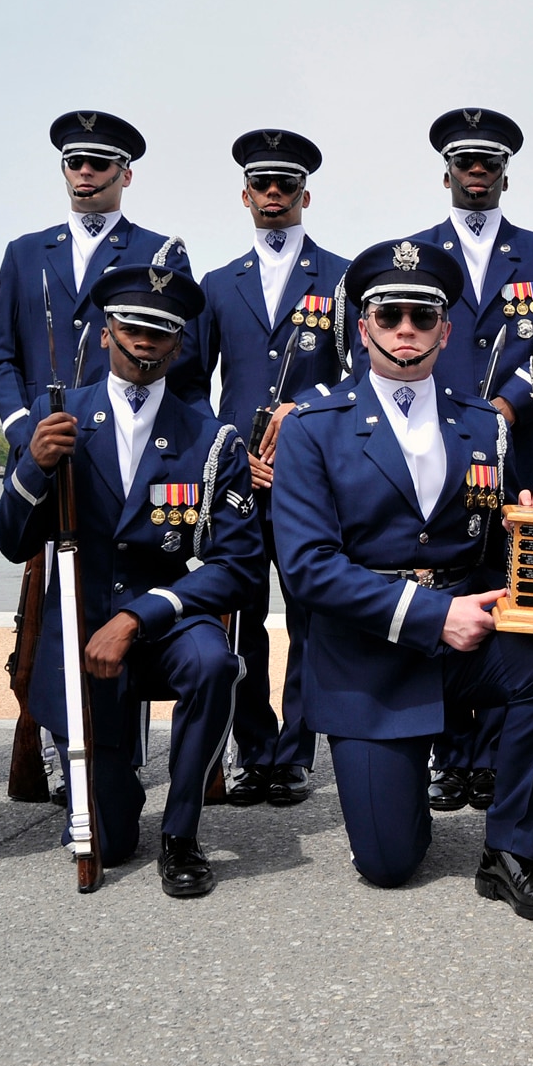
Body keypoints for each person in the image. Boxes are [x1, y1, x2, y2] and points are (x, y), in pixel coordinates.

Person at [269, 241, 533, 920]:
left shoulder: (482, 424)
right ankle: (403, 776)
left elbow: (497, 555)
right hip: (368, 653)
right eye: (390, 315)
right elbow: (307, 566)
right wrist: (431, 614)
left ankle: (511, 850)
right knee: (390, 864)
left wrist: (531, 538)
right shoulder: (313, 426)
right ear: (365, 327)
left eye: (422, 315)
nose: (406, 329)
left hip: (460, 642)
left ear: (446, 328)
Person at [0, 266, 263, 898]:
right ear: (108, 329)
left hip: (167, 620)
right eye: (135, 328)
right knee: (108, 840)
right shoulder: (53, 416)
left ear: (179, 344)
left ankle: (182, 834)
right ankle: (115, 787)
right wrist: (34, 466)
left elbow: (238, 565)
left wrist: (141, 615)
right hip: (81, 623)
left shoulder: (212, 437)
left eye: (162, 333)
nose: (146, 343)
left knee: (216, 664)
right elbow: (10, 542)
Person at [396, 108, 533, 814]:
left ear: (505, 172)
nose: (476, 173)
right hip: (433, 448)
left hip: (517, 458)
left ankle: (493, 757)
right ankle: (448, 754)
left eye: (488, 163)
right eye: (464, 162)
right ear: (445, 172)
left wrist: (510, 400)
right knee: (446, 582)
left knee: (520, 593)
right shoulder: (413, 253)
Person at [191, 128, 352, 808]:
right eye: (263, 185)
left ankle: (294, 754)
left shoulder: (343, 276)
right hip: (237, 480)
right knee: (242, 614)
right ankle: (253, 747)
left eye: (286, 185)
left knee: (312, 617)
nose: (274, 196)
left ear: (305, 194)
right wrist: (229, 451)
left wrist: (303, 413)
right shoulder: (216, 283)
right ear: (245, 194)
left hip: (310, 476)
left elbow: (360, 378)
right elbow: (191, 388)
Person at [0, 110, 199, 458]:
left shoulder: (159, 254)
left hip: (126, 438)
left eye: (99, 162)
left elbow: (180, 351)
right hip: (36, 440)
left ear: (126, 174)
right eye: (74, 161)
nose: (85, 170)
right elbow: (1, 354)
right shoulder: (23, 252)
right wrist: (18, 424)